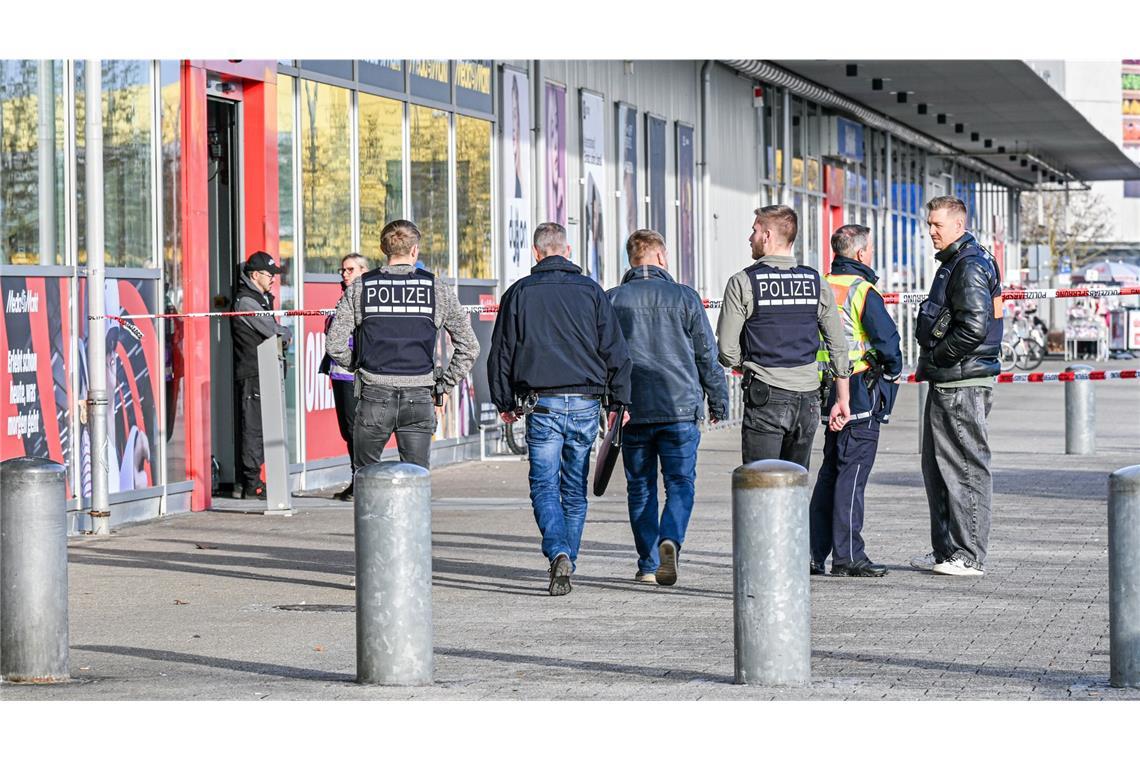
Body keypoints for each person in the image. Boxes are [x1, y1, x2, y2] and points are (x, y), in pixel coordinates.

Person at [488, 222, 632, 596]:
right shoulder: (592, 292)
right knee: (574, 489)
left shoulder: (519, 293)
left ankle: (558, 552)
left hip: (543, 403)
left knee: (543, 486)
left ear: (536, 253)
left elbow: (501, 352)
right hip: (586, 402)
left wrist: (504, 401)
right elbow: (616, 351)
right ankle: (568, 558)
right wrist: (619, 401)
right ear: (566, 251)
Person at [607, 230, 729, 586]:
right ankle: (670, 539)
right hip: (679, 409)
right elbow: (706, 354)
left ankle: (646, 564)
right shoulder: (685, 298)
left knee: (639, 487)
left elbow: (603, 357)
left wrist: (608, 403)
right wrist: (718, 400)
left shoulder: (611, 300)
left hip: (632, 410)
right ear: (661, 257)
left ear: (631, 259)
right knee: (679, 484)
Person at [326, 220, 479, 471]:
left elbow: (334, 344)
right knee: (416, 478)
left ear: (383, 248)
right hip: (419, 395)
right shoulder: (436, 288)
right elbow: (469, 347)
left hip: (374, 393)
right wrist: (444, 383)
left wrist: (357, 364)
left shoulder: (361, 287)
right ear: (415, 250)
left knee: (365, 477)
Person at [716, 205, 851, 469]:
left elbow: (727, 351)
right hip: (809, 399)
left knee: (760, 487)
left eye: (754, 230)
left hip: (765, 395)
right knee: (795, 486)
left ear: (767, 235)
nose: (750, 238)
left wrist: (747, 367)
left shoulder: (743, 282)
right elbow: (838, 344)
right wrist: (842, 399)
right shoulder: (815, 282)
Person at [912, 196, 1003, 577]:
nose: (931, 231)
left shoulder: (967, 265)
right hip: (953, 380)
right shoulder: (959, 261)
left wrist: (939, 359)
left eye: (937, 225)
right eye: (930, 224)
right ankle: (947, 552)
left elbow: (973, 326)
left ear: (959, 225)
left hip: (961, 381)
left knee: (964, 467)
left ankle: (968, 555)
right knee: (938, 467)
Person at [809, 225, 902, 578]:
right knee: (853, 472)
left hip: (825, 389)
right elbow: (889, 345)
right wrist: (891, 372)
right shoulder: (863, 290)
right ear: (862, 254)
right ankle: (848, 555)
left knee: (830, 472)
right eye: (872, 250)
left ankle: (813, 554)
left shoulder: (819, 285)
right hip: (859, 390)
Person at [231, 251, 293, 499]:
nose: (274, 280)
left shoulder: (261, 298)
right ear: (255, 275)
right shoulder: (247, 301)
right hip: (253, 372)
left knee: (266, 428)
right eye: (270, 275)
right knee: (254, 429)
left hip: (264, 371)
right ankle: (251, 482)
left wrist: (282, 332)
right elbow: (272, 332)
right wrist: (285, 332)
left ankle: (256, 479)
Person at [319, 252, 369, 500]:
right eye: (343, 270)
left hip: (353, 374)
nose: (345, 274)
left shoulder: (364, 297)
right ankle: (358, 480)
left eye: (350, 270)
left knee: (356, 431)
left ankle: (362, 482)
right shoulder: (346, 297)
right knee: (349, 431)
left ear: (363, 271)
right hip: (340, 374)